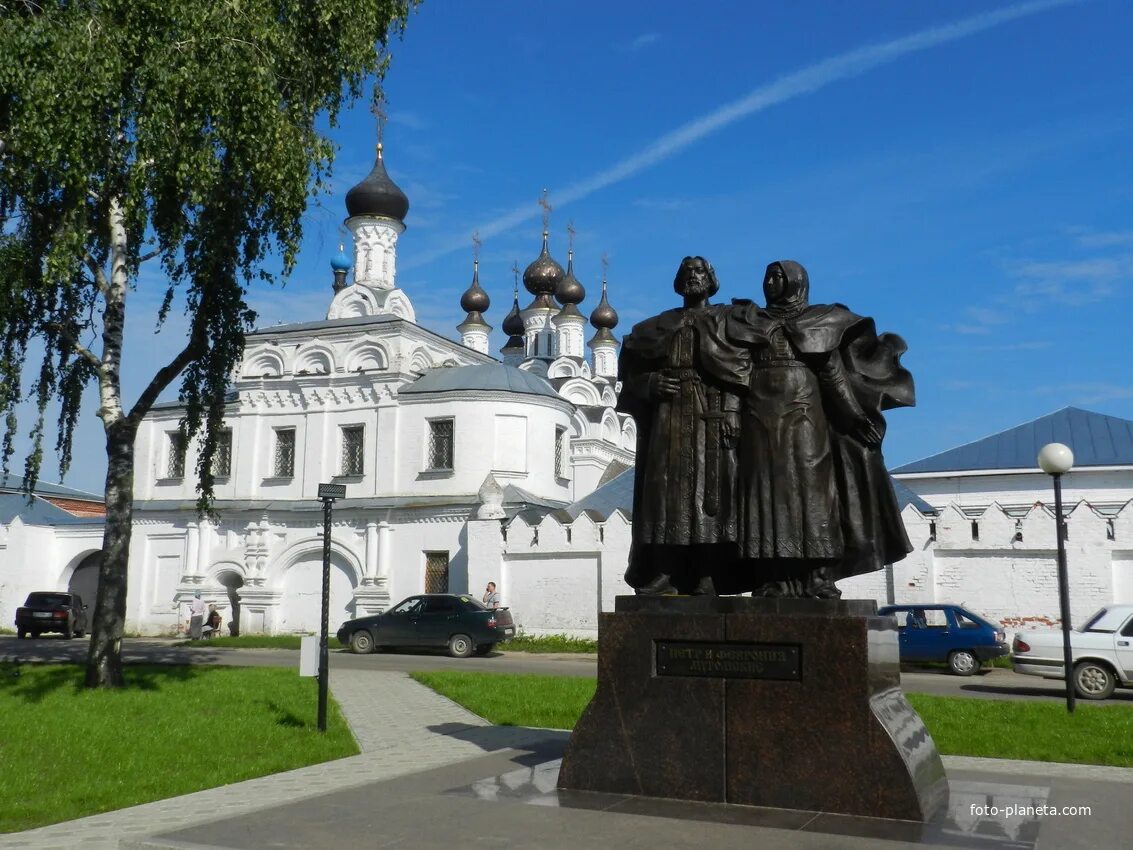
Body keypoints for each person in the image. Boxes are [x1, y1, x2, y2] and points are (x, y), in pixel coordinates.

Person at [726, 260, 915, 598]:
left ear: (796, 282)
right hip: (759, 419)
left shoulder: (819, 320)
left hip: (804, 419)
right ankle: (773, 577)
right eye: (767, 276)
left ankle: (818, 576)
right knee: (763, 494)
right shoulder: (751, 322)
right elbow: (734, 372)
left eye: (778, 277)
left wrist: (855, 417)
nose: (770, 282)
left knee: (813, 493)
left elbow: (832, 374)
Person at [617, 256, 748, 595]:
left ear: (711, 279)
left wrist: (733, 410)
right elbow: (629, 374)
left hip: (711, 415)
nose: (692, 276)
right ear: (677, 281)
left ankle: (708, 574)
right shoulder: (657, 326)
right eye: (687, 271)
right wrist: (650, 384)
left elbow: (740, 370)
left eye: (699, 270)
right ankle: (665, 572)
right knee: (664, 494)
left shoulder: (725, 321)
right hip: (669, 416)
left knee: (711, 495)